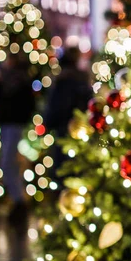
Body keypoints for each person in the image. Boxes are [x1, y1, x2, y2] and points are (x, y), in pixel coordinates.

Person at [0, 52, 35, 225]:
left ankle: (19, 201)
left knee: (8, 162)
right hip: (5, 123)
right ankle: (18, 200)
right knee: (9, 163)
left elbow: (26, 103)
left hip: (15, 124)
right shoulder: (3, 77)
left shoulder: (21, 80)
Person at [43, 46, 92, 178]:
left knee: (63, 165)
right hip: (78, 126)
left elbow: (56, 105)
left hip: (65, 127)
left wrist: (48, 122)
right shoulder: (81, 80)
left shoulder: (63, 80)